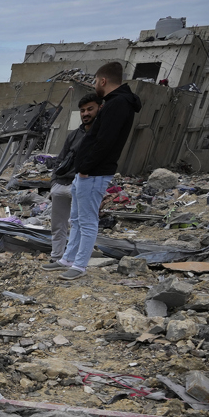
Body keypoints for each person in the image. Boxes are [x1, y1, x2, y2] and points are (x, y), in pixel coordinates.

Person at [54, 62, 142, 281]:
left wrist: (86, 167)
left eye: (95, 81)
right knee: (76, 219)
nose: (94, 85)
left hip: (93, 173)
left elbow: (105, 141)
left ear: (103, 81)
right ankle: (68, 259)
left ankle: (80, 265)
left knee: (87, 220)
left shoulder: (118, 104)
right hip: (87, 173)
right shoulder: (114, 102)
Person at [41, 94, 101, 269]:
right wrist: (54, 182)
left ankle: (76, 262)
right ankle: (58, 258)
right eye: (82, 110)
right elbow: (60, 158)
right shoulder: (74, 135)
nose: (86, 113)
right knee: (58, 225)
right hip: (61, 184)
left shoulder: (101, 134)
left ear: (100, 108)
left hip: (82, 183)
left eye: (90, 109)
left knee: (80, 225)